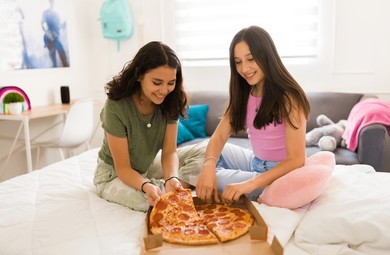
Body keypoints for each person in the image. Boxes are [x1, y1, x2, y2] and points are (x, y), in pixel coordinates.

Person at [196, 26, 311, 204]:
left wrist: (249, 184)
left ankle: (254, 190)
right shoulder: (245, 93)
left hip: (279, 175)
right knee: (207, 156)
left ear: (266, 56)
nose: (244, 68)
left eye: (250, 59)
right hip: (255, 162)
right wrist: (208, 166)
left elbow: (296, 159)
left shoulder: (289, 97)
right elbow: (218, 136)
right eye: (238, 62)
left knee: (212, 180)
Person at [93, 41, 206, 212]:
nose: (164, 90)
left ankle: (167, 187)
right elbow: (123, 168)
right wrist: (145, 185)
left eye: (171, 83)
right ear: (139, 75)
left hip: (145, 166)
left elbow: (169, 152)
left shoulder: (171, 101)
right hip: (114, 174)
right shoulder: (116, 106)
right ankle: (160, 189)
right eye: (157, 82)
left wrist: (172, 178)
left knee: (207, 152)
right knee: (152, 202)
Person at [41, 0, 69, 67]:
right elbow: (42, 24)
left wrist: (64, 25)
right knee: (54, 61)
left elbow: (59, 27)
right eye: (51, 1)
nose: (52, 2)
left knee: (64, 59)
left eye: (53, 1)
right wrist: (48, 33)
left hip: (57, 38)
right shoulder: (46, 13)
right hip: (49, 38)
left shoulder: (57, 13)